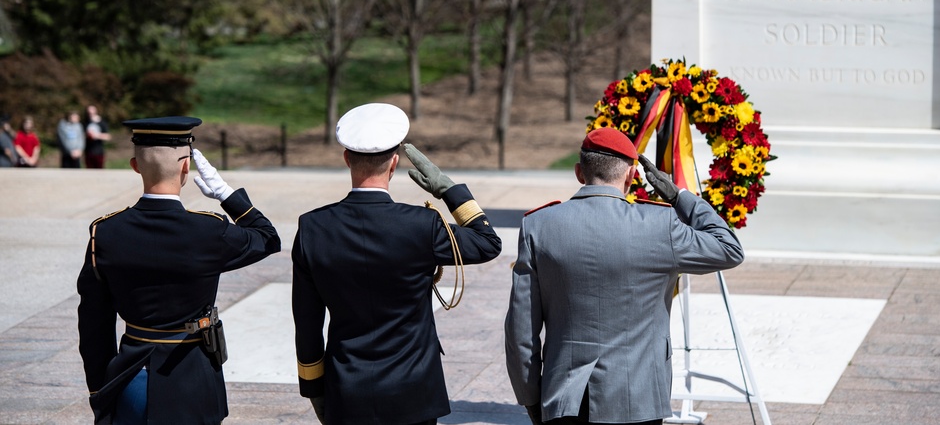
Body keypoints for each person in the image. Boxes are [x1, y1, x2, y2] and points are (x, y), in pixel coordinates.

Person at [504, 127, 745, 425]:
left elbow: (521, 331)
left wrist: (530, 399)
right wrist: (677, 195)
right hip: (639, 401)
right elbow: (729, 248)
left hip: (565, 401)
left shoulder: (538, 226)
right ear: (632, 176)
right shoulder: (660, 226)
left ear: (580, 172)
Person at [292, 102, 502, 425]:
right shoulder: (422, 226)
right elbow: (488, 243)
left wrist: (314, 391)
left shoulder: (312, 229)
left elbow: (307, 326)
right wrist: (448, 190)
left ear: (347, 159)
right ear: (394, 164)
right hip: (413, 393)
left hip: (347, 391)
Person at [76, 116, 281, 425]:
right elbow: (268, 238)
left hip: (131, 378)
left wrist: (101, 389)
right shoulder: (209, 230)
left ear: (135, 165)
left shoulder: (105, 232)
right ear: (187, 167)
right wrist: (226, 194)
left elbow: (93, 324)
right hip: (194, 379)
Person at [84, 104, 111, 169]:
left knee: (99, 170)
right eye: (89, 112)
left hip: (99, 151)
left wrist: (96, 135)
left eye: (92, 112)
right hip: (88, 152)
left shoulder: (102, 123)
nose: (90, 114)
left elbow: (108, 136)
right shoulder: (86, 122)